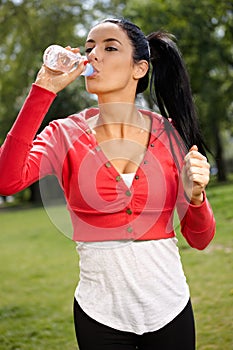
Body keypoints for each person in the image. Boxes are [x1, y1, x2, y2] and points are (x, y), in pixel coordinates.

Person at [0, 17, 215, 350]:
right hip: (99, 316)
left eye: (109, 47)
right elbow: (6, 180)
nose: (93, 56)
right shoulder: (63, 134)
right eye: (89, 49)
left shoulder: (171, 134)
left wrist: (196, 197)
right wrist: (43, 89)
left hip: (170, 308)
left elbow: (200, 239)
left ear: (139, 69)